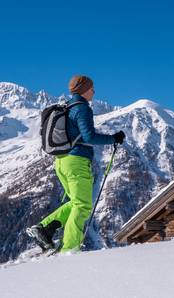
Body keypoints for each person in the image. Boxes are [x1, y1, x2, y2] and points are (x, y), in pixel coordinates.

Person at [27, 75, 125, 253]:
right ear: (84, 89)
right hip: (77, 161)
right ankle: (70, 249)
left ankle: (44, 229)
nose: (94, 91)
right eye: (92, 88)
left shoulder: (68, 107)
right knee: (82, 205)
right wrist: (113, 138)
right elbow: (89, 137)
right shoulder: (82, 108)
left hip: (62, 162)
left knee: (75, 202)